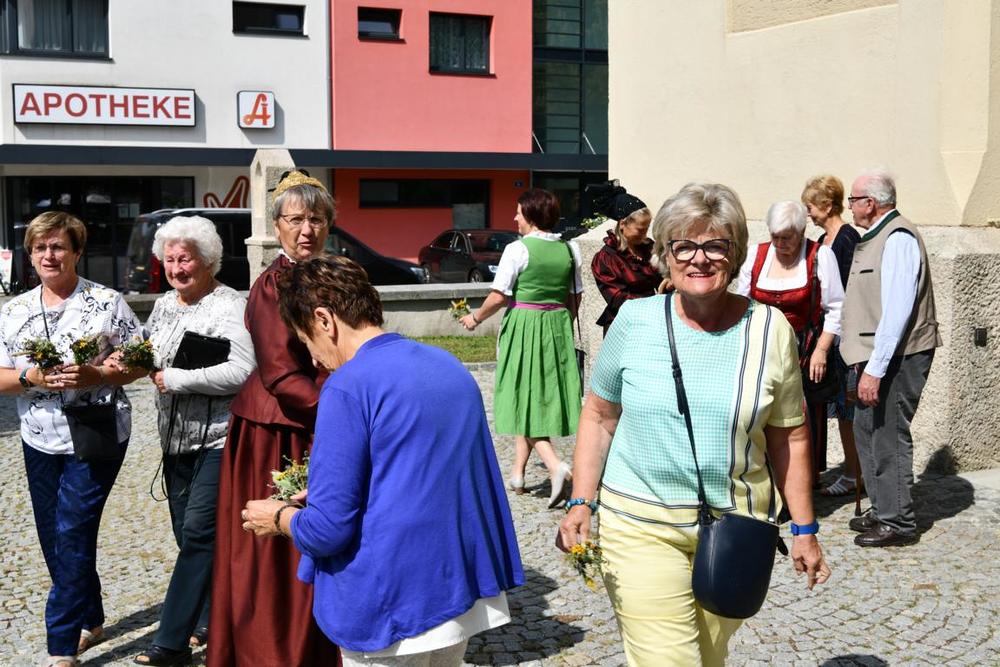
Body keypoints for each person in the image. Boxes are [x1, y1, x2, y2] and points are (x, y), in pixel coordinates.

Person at [558, 182, 831, 666]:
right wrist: (581, 500)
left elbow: (790, 434)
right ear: (665, 253)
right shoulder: (633, 321)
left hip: (737, 529)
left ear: (736, 253)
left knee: (707, 656)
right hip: (639, 523)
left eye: (715, 245)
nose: (699, 259)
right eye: (683, 245)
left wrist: (804, 528)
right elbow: (599, 415)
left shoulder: (770, 329)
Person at [241, 255, 524, 666]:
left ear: (324, 320)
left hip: (391, 605)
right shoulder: (448, 365)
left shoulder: (347, 386)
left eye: (306, 340)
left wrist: (280, 517)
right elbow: (419, 476)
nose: (314, 358)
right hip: (457, 591)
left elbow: (326, 532)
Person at [0, 212, 147, 667]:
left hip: (98, 430)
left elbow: (141, 361)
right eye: (40, 248)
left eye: (59, 246)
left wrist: (97, 373)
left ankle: (61, 645)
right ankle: (92, 616)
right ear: (30, 255)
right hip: (38, 436)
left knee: (73, 528)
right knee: (53, 534)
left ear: (77, 252)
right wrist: (31, 377)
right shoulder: (13, 311)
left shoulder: (106, 303)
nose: (49, 255)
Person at [208, 171, 340, 666]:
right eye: (296, 219)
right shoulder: (273, 285)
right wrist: (345, 415)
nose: (307, 229)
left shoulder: (336, 276)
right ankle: (277, 651)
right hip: (280, 429)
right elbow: (282, 374)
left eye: (317, 219)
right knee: (279, 546)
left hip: (318, 419)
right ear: (277, 226)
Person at [134, 216, 255, 666]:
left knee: (199, 533)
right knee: (187, 536)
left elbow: (243, 370)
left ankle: (170, 643)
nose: (176, 268)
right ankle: (211, 620)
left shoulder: (229, 306)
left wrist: (177, 379)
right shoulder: (166, 304)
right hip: (174, 440)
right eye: (169, 260)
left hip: (218, 439)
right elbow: (148, 350)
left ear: (207, 261)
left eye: (184, 259)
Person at [459, 188, 583, 508]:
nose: (515, 217)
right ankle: (517, 473)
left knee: (519, 396)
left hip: (524, 326)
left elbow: (499, 296)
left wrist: (475, 318)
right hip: (557, 326)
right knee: (533, 397)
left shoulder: (518, 249)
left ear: (530, 215)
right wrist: (561, 322)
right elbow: (575, 296)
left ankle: (554, 465)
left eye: (518, 212)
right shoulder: (570, 249)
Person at [841, 169, 940, 548]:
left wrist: (876, 370)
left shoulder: (898, 237)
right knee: (867, 430)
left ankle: (897, 521)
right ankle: (883, 507)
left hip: (898, 354)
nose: (850, 207)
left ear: (870, 203)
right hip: (876, 355)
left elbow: (897, 310)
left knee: (888, 434)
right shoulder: (878, 236)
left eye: (853, 200)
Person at [735, 200, 845, 482]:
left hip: (805, 349)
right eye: (775, 237)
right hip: (762, 345)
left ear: (801, 232)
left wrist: (822, 349)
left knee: (803, 415)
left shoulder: (820, 256)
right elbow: (741, 303)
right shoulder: (756, 255)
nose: (780, 244)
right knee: (761, 409)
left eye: (787, 238)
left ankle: (803, 480)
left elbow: (836, 308)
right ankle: (764, 478)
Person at [801, 175, 863, 497]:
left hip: (843, 338)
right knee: (835, 410)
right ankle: (846, 471)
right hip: (826, 334)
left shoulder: (847, 238)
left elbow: (851, 292)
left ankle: (855, 475)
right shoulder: (822, 240)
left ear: (826, 206)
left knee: (846, 410)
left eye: (810, 206)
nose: (808, 213)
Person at [588, 181, 662, 334]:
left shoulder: (649, 248)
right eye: (640, 230)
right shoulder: (607, 258)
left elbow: (662, 281)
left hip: (653, 322)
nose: (644, 234)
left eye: (646, 229)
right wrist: (653, 304)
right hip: (623, 326)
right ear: (622, 224)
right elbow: (617, 298)